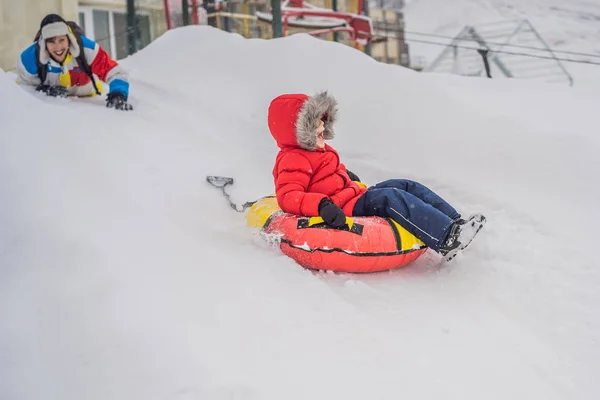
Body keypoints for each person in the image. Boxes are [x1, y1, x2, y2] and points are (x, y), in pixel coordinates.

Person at [267, 91, 486, 261]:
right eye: (315, 122)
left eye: (322, 120)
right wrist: (322, 205)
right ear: (297, 130)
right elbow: (289, 196)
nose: (322, 124)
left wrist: (345, 175)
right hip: (342, 207)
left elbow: (328, 172)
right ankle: (446, 238)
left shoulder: (319, 148)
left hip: (353, 194)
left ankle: (454, 221)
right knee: (390, 197)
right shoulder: (293, 159)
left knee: (404, 185)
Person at [16, 13, 133, 111]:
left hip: (89, 100)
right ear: (43, 43)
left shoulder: (87, 49)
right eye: (51, 41)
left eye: (62, 40)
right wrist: (43, 90)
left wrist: (118, 93)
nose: (58, 47)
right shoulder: (30, 59)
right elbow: (21, 88)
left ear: (69, 39)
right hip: (54, 109)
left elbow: (115, 72)